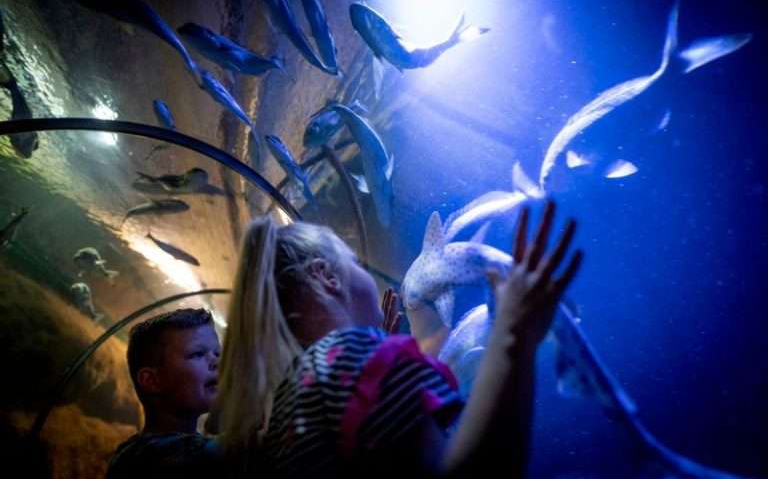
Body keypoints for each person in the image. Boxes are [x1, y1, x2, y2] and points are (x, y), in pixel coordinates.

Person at [215, 200, 581, 478]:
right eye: (355, 263)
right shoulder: (349, 357)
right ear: (326, 276)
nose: (366, 276)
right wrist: (513, 335)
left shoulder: (291, 396)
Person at [106, 308, 222, 479]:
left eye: (217, 353)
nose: (217, 362)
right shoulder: (145, 457)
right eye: (197, 354)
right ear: (152, 381)